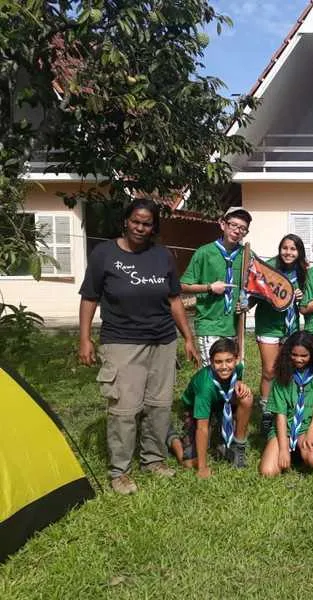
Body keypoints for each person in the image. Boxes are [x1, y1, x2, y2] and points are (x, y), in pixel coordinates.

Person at [78, 198, 200, 495]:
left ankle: (153, 460)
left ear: (153, 227)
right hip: (122, 341)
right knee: (124, 409)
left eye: (147, 224)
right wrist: (84, 338)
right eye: (136, 222)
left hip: (162, 340)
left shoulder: (162, 255)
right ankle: (120, 471)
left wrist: (187, 337)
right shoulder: (104, 254)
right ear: (125, 221)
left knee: (159, 405)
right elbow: (89, 297)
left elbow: (173, 299)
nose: (141, 228)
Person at [180, 207, 251, 365]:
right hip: (209, 324)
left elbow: (254, 286)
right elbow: (183, 285)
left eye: (243, 228)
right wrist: (209, 287)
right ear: (223, 224)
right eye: (234, 225)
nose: (238, 231)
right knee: (213, 372)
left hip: (235, 325)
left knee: (232, 374)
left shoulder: (246, 255)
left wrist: (247, 301)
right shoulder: (204, 253)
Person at [175, 338, 254, 477]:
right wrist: (202, 467)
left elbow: (237, 380)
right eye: (218, 362)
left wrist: (240, 383)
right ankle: (172, 439)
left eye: (229, 361)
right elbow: (202, 428)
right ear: (211, 363)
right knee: (189, 460)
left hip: (221, 402)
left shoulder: (239, 368)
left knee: (246, 397)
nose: (224, 366)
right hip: (196, 407)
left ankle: (238, 446)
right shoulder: (205, 386)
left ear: (236, 360)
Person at [254, 234, 308, 432]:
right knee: (269, 370)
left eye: (293, 249)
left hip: (291, 327)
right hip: (269, 325)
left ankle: (284, 408)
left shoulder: (302, 271)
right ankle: (266, 411)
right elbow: (254, 291)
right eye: (285, 248)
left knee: (287, 369)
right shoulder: (268, 268)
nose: (288, 252)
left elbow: (305, 302)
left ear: (299, 252)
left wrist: (300, 297)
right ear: (279, 249)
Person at [259, 332, 313, 477]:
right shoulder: (281, 375)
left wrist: (311, 433)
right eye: (294, 355)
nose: (299, 359)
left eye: (304, 356)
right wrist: (283, 449)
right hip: (285, 427)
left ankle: (300, 450)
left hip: (308, 425)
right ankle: (291, 449)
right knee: (268, 472)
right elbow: (280, 414)